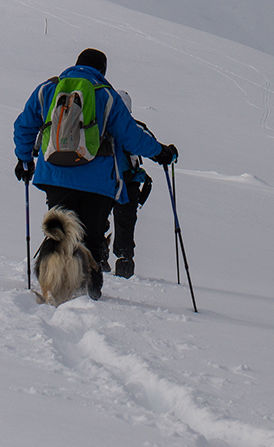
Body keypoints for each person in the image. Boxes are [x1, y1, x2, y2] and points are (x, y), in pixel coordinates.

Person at [13, 48, 176, 298]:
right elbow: (131, 137)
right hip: (97, 183)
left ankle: (54, 285)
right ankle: (88, 295)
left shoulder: (48, 90)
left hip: (56, 175)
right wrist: (160, 152)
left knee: (60, 230)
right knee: (91, 238)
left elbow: (24, 126)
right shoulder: (107, 96)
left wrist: (24, 159)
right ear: (102, 71)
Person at [109, 89, 154, 278]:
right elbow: (149, 143)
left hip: (102, 181)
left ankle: (98, 259)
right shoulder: (135, 127)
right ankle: (124, 265)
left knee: (97, 220)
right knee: (125, 224)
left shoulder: (102, 126)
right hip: (129, 184)